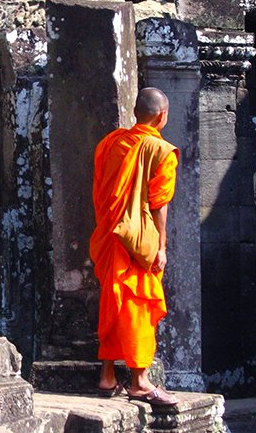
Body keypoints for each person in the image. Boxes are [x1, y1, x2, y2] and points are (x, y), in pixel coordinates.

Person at [89, 87, 179, 406]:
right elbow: (159, 204)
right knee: (138, 302)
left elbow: (101, 192)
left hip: (111, 234)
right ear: (161, 116)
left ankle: (108, 376)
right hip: (139, 240)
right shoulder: (161, 151)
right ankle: (139, 381)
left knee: (113, 300)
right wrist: (161, 246)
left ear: (135, 112)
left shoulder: (109, 144)